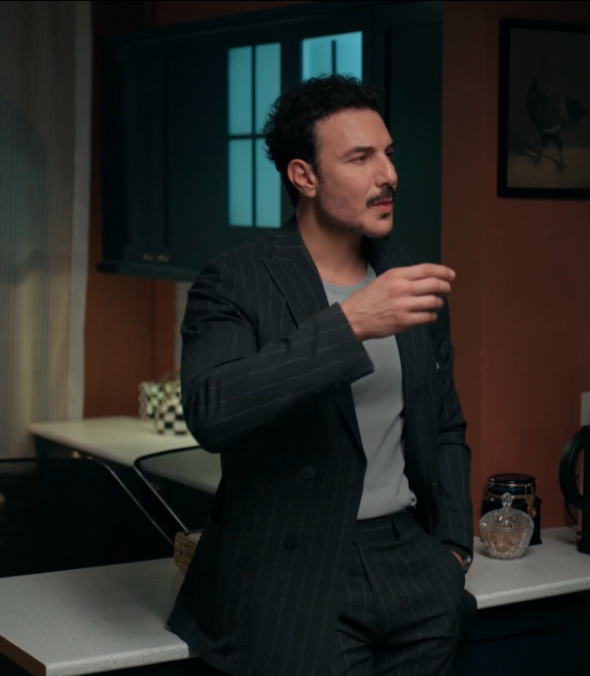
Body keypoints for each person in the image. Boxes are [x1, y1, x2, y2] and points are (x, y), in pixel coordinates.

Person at [168, 74, 475, 676]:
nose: (388, 174)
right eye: (360, 158)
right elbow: (212, 409)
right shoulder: (235, 280)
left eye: (388, 153)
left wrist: (453, 549)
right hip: (293, 577)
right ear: (304, 176)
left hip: (413, 566)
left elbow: (444, 425)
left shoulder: (406, 281)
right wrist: (350, 324)